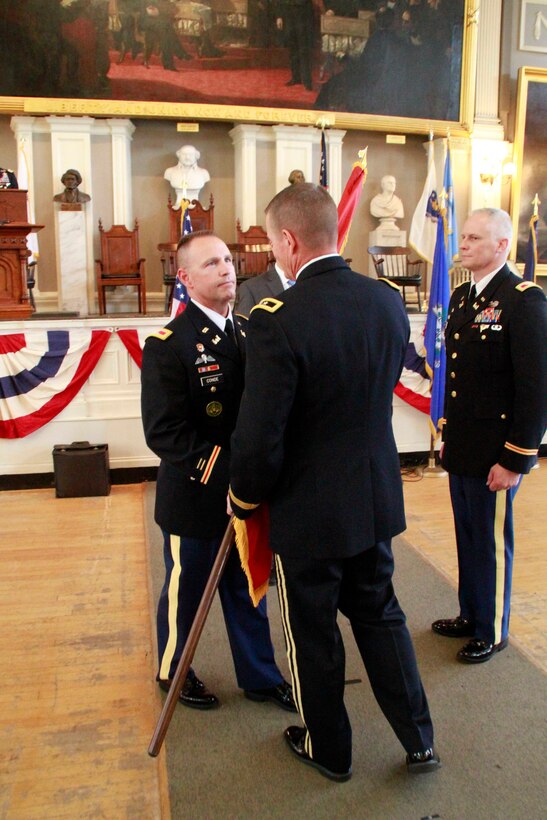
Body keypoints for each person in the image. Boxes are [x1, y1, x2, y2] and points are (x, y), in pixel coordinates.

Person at [228, 183, 439, 781]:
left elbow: (261, 434)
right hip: (372, 497)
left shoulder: (276, 320)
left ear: (289, 242)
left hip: (309, 512)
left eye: (272, 245)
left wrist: (243, 497)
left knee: (312, 632)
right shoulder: (386, 301)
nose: (274, 256)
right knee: (381, 616)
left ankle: (330, 748)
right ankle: (419, 740)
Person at [141, 230, 295, 712]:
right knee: (187, 592)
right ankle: (175, 668)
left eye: (228, 260)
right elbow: (164, 432)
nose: (227, 268)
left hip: (247, 494)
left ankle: (259, 676)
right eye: (211, 264)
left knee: (248, 588)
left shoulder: (250, 330)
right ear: (184, 278)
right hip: (198, 495)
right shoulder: (170, 344)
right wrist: (230, 471)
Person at [432, 208, 547, 663]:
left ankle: (493, 628)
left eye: (475, 238)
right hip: (463, 446)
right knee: (468, 535)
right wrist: (446, 436)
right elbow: (458, 378)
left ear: (502, 246)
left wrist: (516, 458)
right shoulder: (463, 296)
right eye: (464, 237)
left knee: (492, 541)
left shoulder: (523, 300)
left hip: (497, 453)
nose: (464, 244)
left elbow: (535, 390)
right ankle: (469, 613)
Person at [275, 0, 315, 91]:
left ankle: (307, 81)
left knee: (303, 48)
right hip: (288, 13)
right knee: (292, 48)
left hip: (303, 14)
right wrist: (279, 16)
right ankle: (296, 77)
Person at [164, 145, 211, 209]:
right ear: (179, 155)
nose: (187, 157)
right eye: (184, 154)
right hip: (178, 207)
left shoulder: (204, 173)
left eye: (191, 155)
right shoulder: (169, 172)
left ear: (196, 156)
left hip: (197, 209)